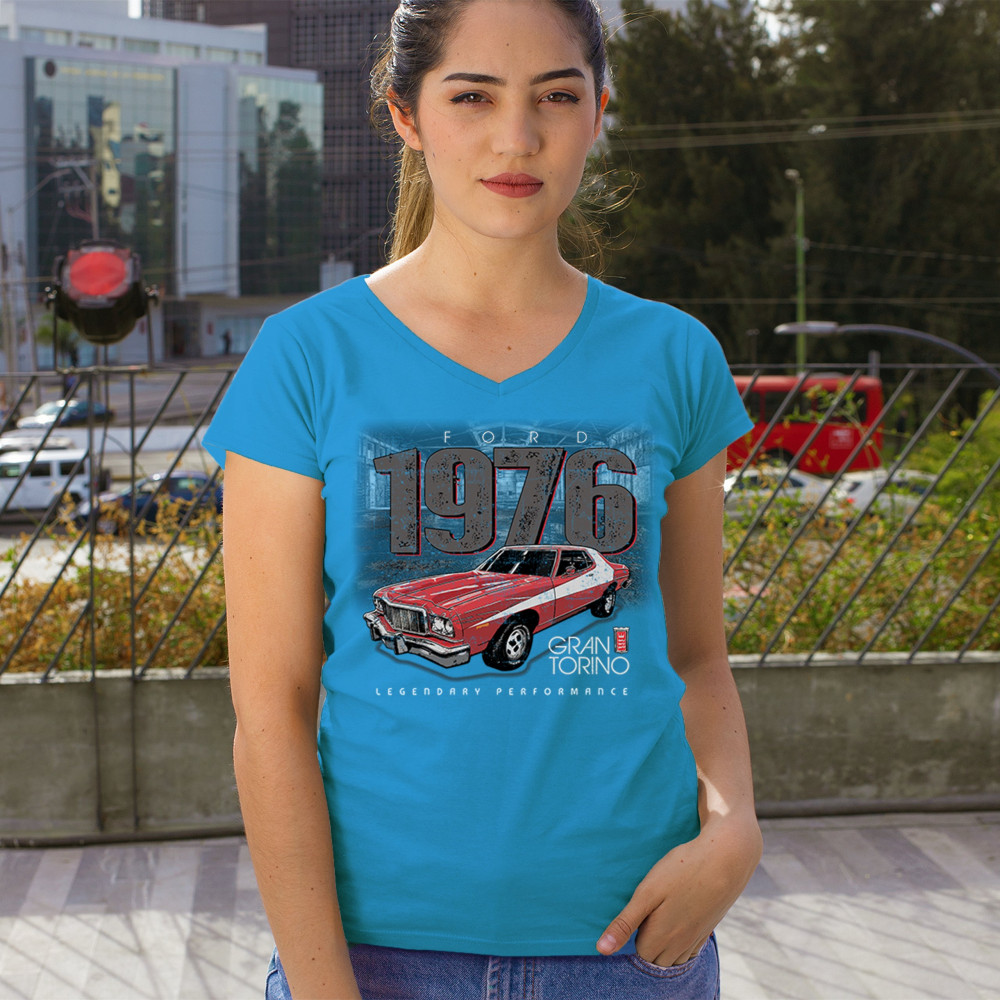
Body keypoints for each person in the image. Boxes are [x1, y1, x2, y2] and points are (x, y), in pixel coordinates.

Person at [204, 1, 762, 997]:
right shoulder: (307, 356)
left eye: (556, 97)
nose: (517, 138)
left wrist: (733, 829)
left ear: (598, 112)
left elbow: (695, 656)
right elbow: (271, 709)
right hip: (372, 950)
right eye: (472, 97)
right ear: (406, 114)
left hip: (629, 944)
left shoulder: (674, 355)